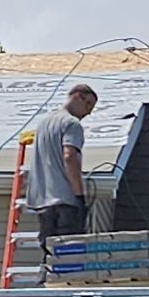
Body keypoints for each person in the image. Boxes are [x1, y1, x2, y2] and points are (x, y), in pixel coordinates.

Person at [28, 84, 98, 247]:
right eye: (88, 104)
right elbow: (69, 157)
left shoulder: (43, 123)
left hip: (43, 202)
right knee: (70, 257)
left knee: (50, 255)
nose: (89, 112)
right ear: (77, 96)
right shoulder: (72, 124)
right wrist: (79, 197)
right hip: (65, 201)